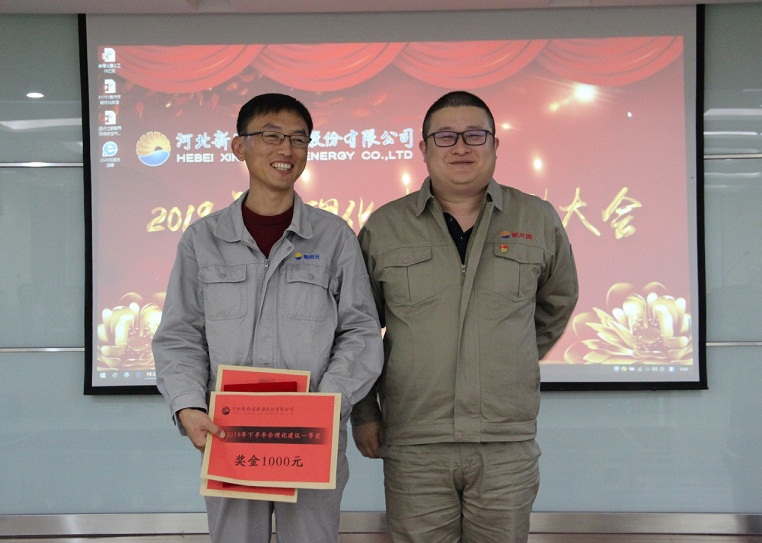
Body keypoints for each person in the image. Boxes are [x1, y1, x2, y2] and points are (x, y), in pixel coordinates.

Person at [153, 93, 384, 543]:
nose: (287, 150)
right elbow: (180, 335)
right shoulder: (203, 239)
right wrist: (187, 405)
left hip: (312, 437)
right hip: (230, 436)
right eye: (272, 136)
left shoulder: (334, 237)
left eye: (299, 139)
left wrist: (327, 404)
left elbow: (360, 330)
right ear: (239, 146)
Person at [351, 90, 579, 543]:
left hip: (504, 441)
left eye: (475, 135)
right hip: (415, 439)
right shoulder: (386, 226)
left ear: (495, 144)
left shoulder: (536, 219)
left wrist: (508, 353)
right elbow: (357, 328)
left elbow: (556, 303)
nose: (460, 147)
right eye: (446, 136)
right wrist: (363, 412)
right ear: (423, 148)